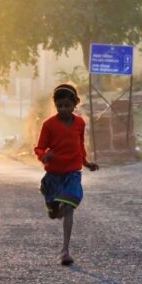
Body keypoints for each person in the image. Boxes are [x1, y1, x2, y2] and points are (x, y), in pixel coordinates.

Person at [33, 83, 98, 266]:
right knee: (54, 214)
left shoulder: (80, 123)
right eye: (59, 105)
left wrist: (86, 163)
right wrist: (44, 156)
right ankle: (54, 204)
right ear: (55, 105)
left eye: (67, 105)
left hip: (72, 173)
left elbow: (80, 145)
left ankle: (65, 251)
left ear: (75, 104)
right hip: (54, 174)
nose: (63, 109)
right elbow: (39, 147)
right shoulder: (49, 125)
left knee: (69, 208)